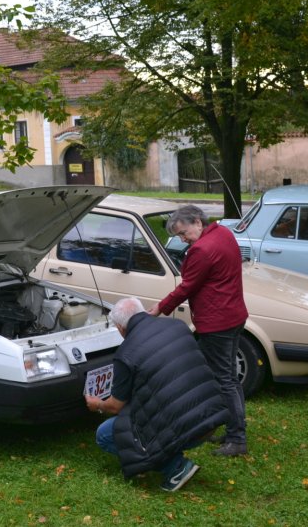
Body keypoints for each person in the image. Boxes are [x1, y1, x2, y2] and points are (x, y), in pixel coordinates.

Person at [85, 297, 227, 492]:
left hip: (187, 427)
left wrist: (97, 404)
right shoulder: (178, 325)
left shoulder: (126, 353)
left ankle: (175, 468)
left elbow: (115, 406)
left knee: (105, 434)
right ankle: (163, 457)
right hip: (211, 417)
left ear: (120, 327)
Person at [148, 205, 250, 457]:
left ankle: (237, 438)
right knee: (229, 376)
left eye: (184, 233)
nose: (183, 240)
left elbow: (187, 287)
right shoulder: (224, 234)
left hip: (217, 323)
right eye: (180, 237)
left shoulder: (201, 250)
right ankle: (233, 428)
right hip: (234, 316)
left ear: (197, 221)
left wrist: (160, 308)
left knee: (222, 379)